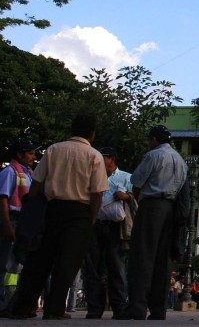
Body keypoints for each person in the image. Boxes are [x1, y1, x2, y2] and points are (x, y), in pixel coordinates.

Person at [11, 113, 109, 320]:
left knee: (39, 260)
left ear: (72, 130)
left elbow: (37, 181)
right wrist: (90, 218)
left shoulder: (54, 149)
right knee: (67, 263)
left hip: (52, 209)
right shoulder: (94, 156)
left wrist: (33, 209)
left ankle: (24, 305)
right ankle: (54, 308)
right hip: (79, 213)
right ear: (92, 134)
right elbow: (97, 194)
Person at [118, 125, 187, 320]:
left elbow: (136, 182)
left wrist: (140, 202)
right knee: (162, 261)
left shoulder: (154, 155)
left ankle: (137, 308)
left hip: (152, 207)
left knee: (143, 256)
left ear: (154, 139)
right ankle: (158, 310)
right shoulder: (180, 160)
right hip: (170, 210)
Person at [84, 146, 133, 319]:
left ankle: (119, 306)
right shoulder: (92, 177)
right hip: (95, 224)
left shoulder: (126, 177)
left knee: (116, 267)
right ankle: (94, 307)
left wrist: (126, 196)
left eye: (102, 157)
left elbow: (135, 199)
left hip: (115, 227)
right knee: (92, 267)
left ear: (111, 159)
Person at [0, 138, 36, 311]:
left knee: (19, 263)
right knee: (4, 262)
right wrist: (7, 226)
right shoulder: (10, 172)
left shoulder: (28, 172)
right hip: (12, 219)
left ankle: (14, 303)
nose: (33, 156)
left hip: (23, 221)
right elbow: (3, 200)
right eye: (29, 153)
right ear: (19, 154)